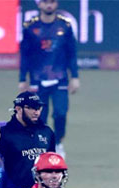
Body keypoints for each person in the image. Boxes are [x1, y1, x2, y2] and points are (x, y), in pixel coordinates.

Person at [19, 0, 79, 157]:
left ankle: (58, 143)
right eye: (45, 2)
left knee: (60, 113)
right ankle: (43, 145)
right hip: (37, 80)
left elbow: (71, 54)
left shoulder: (65, 26)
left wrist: (75, 77)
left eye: (52, 1)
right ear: (39, 4)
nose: (49, 5)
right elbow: (25, 55)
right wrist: (22, 79)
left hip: (60, 79)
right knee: (39, 116)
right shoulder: (30, 27)